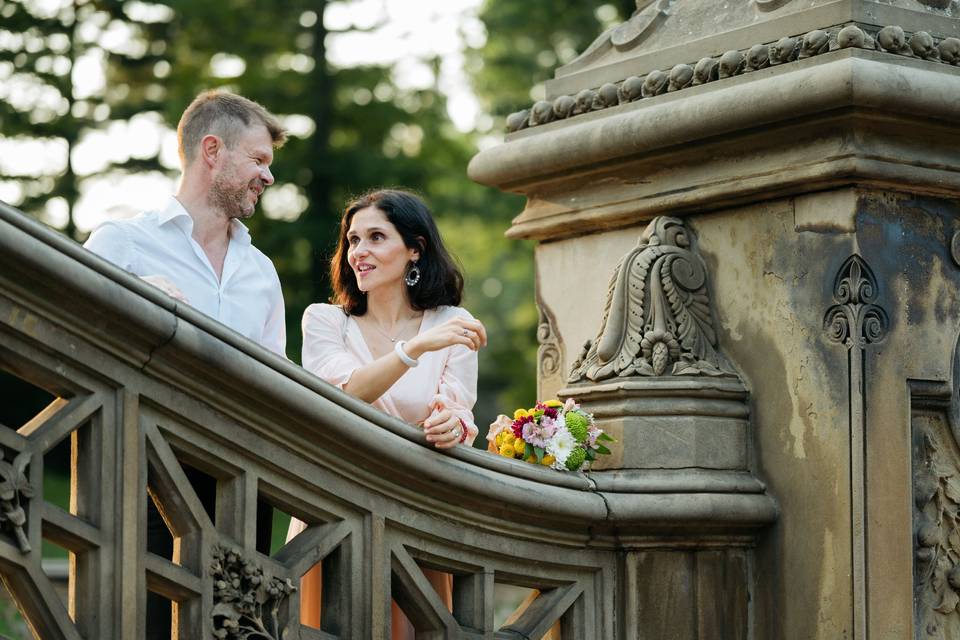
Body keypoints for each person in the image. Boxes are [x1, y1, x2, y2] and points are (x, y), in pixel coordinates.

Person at [83, 90, 287, 640]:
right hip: (142, 476)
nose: (268, 178)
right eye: (259, 160)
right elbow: (76, 348)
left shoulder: (262, 272)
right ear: (213, 151)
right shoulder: (122, 244)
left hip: (242, 489)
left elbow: (279, 386)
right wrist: (137, 295)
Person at [289, 189, 486, 636]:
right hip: (335, 505)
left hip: (417, 506)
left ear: (414, 249)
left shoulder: (452, 321)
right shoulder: (325, 320)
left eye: (376, 237)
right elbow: (347, 392)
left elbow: (458, 409)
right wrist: (414, 348)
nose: (359, 251)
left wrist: (450, 425)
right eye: (353, 240)